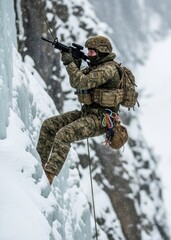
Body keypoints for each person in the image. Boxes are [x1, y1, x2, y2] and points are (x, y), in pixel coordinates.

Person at [36, 35, 122, 184]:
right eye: (88, 51)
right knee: (49, 126)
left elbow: (81, 82)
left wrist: (70, 62)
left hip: (101, 120)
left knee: (64, 135)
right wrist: (74, 62)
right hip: (87, 114)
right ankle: (38, 164)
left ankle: (48, 177)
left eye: (92, 52)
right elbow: (76, 83)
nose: (88, 54)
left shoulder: (108, 70)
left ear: (102, 52)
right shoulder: (96, 68)